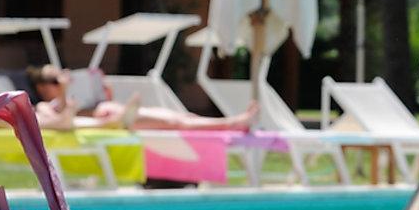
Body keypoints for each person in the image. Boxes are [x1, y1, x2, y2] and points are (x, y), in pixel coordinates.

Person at [26, 65, 256, 132]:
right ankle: (231, 123)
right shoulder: (45, 106)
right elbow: (63, 120)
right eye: (55, 81)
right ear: (42, 87)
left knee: (180, 116)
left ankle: (231, 122)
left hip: (115, 110)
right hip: (115, 118)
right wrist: (65, 92)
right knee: (176, 123)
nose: (61, 82)